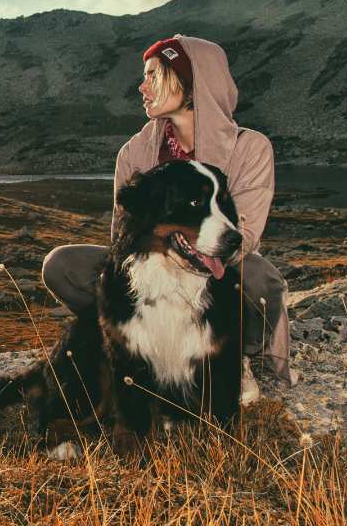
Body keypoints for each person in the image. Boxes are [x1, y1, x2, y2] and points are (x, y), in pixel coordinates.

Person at [41, 35, 296, 385]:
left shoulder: (249, 148)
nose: (142, 87)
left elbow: (243, 237)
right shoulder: (134, 153)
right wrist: (161, 265)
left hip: (217, 272)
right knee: (62, 265)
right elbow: (123, 238)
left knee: (260, 279)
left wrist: (188, 257)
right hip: (154, 274)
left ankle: (239, 356)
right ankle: (135, 346)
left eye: (153, 76)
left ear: (191, 84)